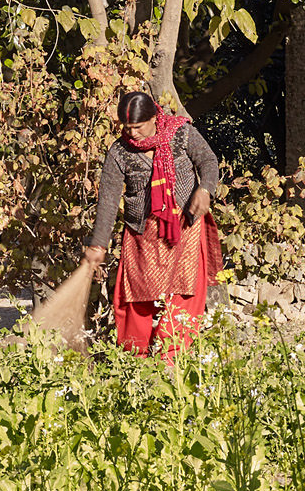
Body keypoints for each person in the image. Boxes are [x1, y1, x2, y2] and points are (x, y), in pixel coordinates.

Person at [79, 91, 223, 358]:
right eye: (127, 128)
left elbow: (208, 161)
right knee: (135, 300)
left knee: (185, 293)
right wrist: (98, 244)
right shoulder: (119, 153)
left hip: (184, 227)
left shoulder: (181, 133)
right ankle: (136, 362)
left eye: (138, 127)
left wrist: (205, 189)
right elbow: (108, 201)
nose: (132, 134)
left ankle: (171, 361)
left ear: (155, 117)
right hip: (142, 235)